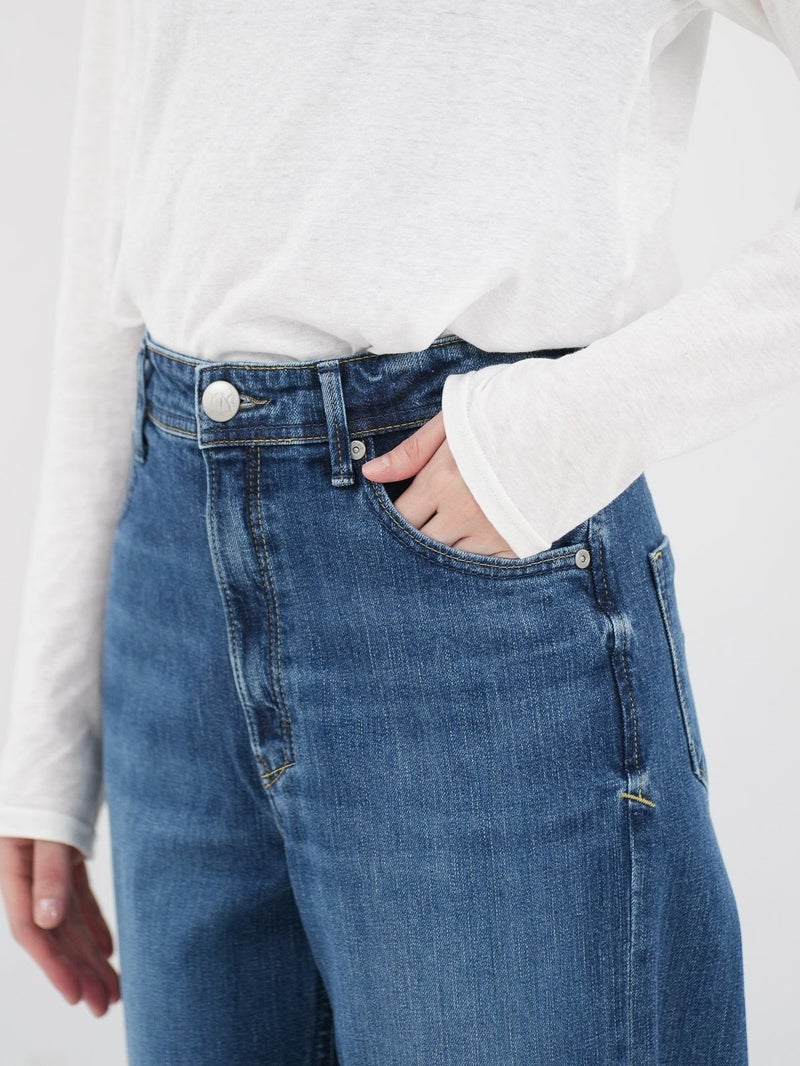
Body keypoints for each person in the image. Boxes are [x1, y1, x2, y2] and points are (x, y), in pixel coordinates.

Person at [0, 2, 797, 1063]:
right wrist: (49, 737)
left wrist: (568, 427)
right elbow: (123, 181)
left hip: (471, 585)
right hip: (169, 593)